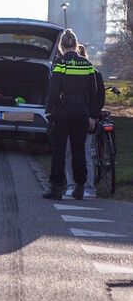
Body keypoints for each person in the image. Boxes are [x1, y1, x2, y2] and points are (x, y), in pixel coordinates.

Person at [43, 30, 98, 201]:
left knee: (59, 151)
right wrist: (90, 112)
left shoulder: (60, 63)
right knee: (79, 150)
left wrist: (49, 108)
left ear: (61, 46)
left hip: (63, 110)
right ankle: (80, 187)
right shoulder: (87, 64)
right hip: (81, 111)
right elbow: (94, 91)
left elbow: (53, 90)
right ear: (75, 44)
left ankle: (56, 188)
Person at [64, 44, 105, 199]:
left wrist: (93, 116)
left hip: (86, 118)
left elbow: (99, 97)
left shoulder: (94, 74)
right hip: (74, 117)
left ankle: (87, 187)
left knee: (83, 152)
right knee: (72, 153)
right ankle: (72, 185)